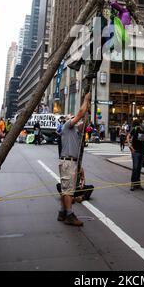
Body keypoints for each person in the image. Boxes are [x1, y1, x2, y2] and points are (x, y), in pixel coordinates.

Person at [57, 92, 91, 227]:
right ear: (66, 119)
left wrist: (88, 105)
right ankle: (69, 215)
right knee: (68, 191)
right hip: (67, 162)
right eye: (69, 116)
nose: (72, 117)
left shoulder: (76, 131)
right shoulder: (67, 126)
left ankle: (62, 212)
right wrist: (85, 99)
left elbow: (85, 119)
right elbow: (80, 113)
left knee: (67, 189)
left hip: (72, 162)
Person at [127, 119, 144, 191]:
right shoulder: (135, 129)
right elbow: (128, 137)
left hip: (142, 152)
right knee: (135, 168)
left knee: (139, 168)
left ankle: (138, 184)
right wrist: (130, 146)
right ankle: (133, 184)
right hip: (135, 151)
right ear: (140, 123)